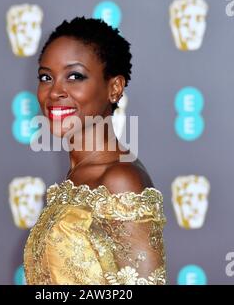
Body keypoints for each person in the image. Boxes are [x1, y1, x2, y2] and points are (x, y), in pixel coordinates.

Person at [24, 16, 167, 285]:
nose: (55, 91)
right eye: (46, 77)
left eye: (74, 76)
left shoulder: (120, 179)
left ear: (114, 88)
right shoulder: (77, 175)